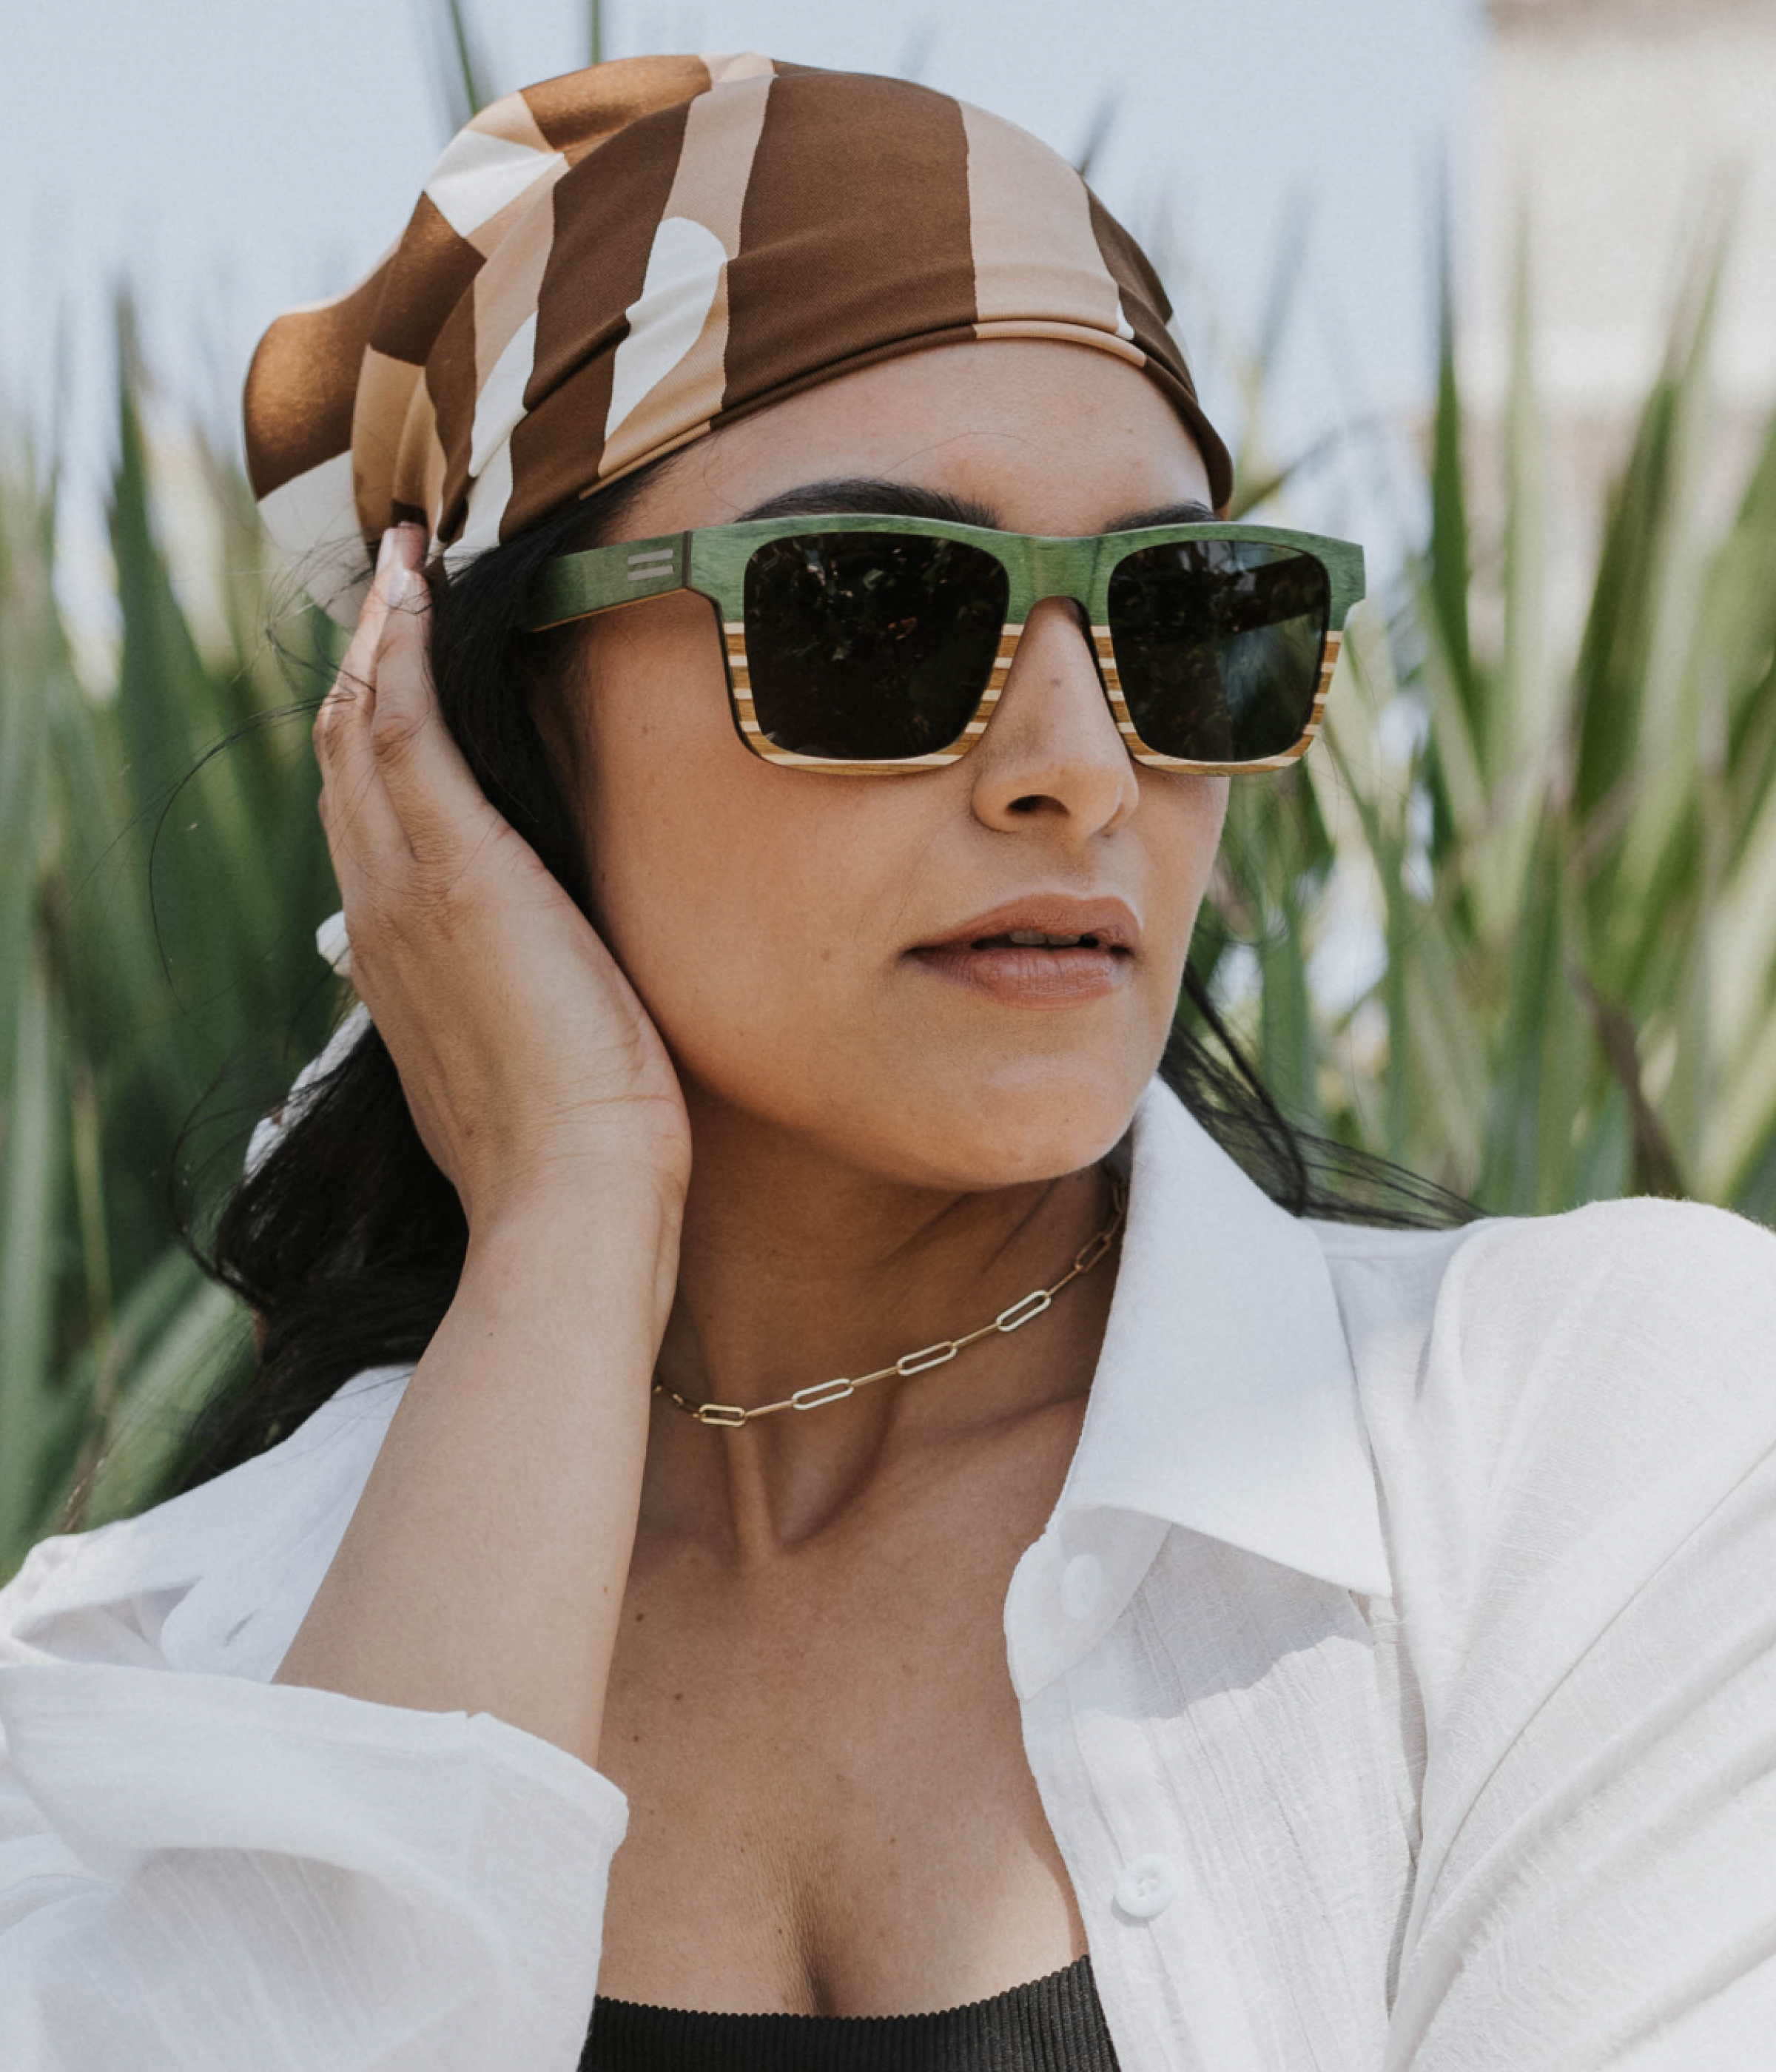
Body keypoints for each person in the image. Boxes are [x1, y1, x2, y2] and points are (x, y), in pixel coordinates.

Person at [3, 50, 1775, 2072]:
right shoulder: (140, 1678)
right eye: (871, 613)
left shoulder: (1601, 1451)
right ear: (477, 726)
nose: (1081, 773)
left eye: (1187, 621)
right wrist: (576, 1198)